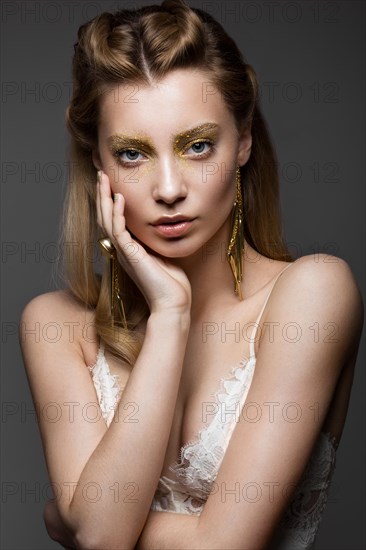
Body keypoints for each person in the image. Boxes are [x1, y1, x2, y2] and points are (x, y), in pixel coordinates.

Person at [19, 0, 363, 548]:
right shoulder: (55, 325)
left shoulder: (313, 294)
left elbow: (222, 546)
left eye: (197, 145)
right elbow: (102, 538)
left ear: (243, 141)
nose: (170, 188)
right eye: (133, 154)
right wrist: (170, 314)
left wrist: (71, 518)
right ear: (98, 164)